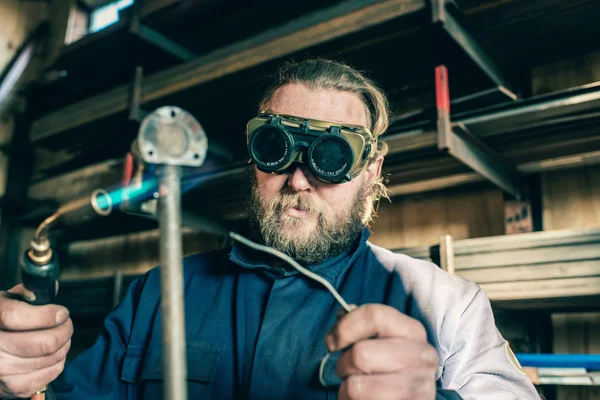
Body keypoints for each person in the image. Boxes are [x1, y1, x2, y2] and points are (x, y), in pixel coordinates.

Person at [0, 59, 540, 400]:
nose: (299, 179)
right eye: (277, 150)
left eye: (331, 156)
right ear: (254, 158)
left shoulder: (447, 305)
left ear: (371, 171)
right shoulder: (160, 293)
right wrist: (17, 382)